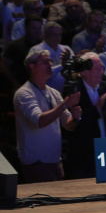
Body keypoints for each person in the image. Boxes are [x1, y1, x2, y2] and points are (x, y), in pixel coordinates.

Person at [13, 50, 82, 183]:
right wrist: (65, 105)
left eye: (50, 61)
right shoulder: (24, 93)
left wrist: (75, 118)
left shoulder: (53, 93)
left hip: (55, 160)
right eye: (45, 61)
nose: (50, 64)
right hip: (36, 162)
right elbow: (39, 121)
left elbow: (68, 125)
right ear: (32, 66)